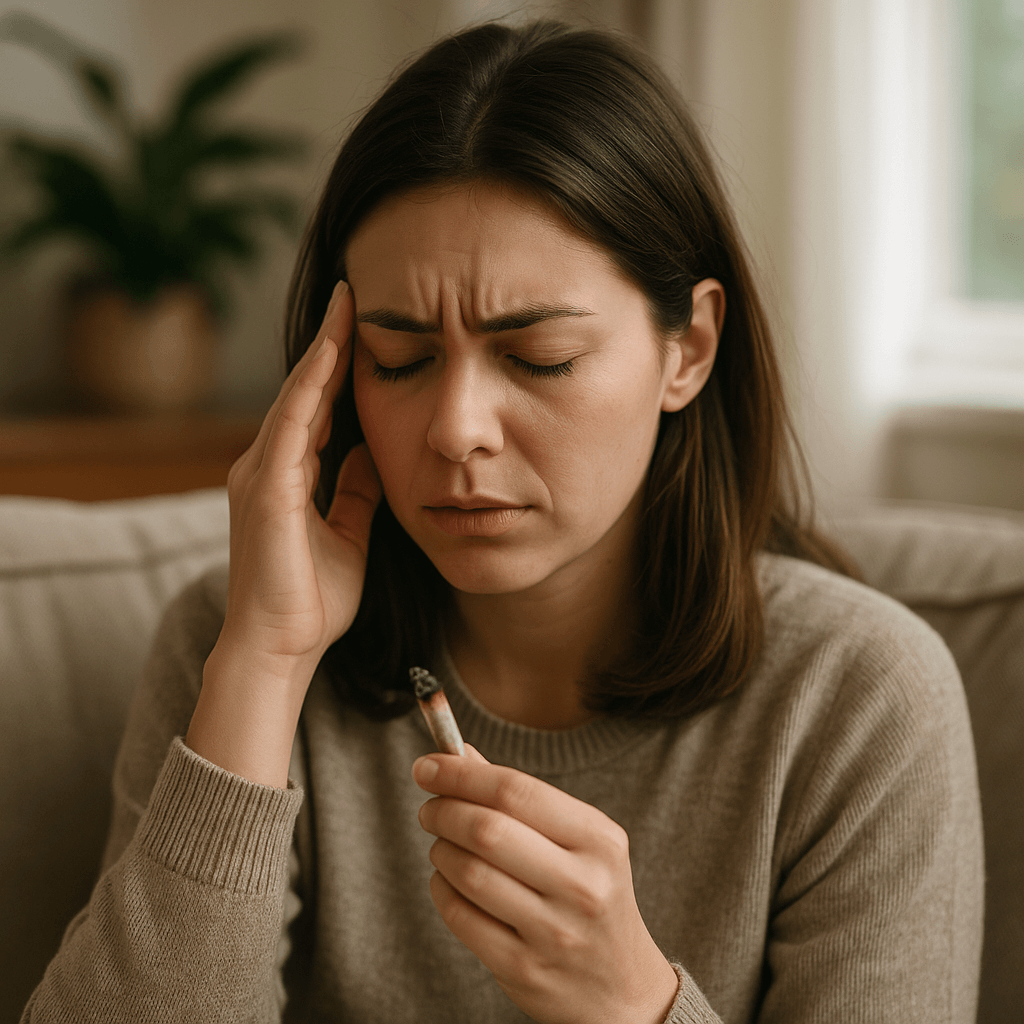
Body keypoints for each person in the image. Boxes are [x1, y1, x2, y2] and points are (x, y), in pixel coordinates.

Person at [22, 18, 983, 1024]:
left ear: (687, 349)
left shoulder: (861, 699)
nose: (454, 430)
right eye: (398, 359)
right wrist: (261, 665)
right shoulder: (236, 649)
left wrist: (634, 1004)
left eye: (538, 358)